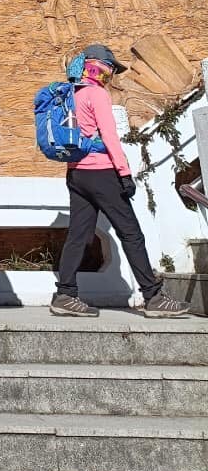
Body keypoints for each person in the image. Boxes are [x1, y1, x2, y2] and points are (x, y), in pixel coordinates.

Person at [51, 44, 189, 318]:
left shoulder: (68, 95)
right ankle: (153, 297)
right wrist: (124, 173)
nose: (112, 74)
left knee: (78, 235)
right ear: (97, 66)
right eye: (111, 68)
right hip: (102, 173)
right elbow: (111, 138)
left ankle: (65, 295)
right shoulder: (96, 94)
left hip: (76, 173)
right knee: (131, 234)